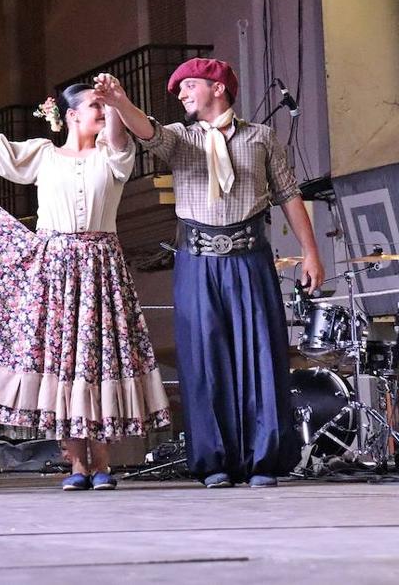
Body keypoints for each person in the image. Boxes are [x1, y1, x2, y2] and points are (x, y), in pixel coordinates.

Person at [0, 80, 170, 491]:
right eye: (93, 105)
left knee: (99, 358)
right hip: (55, 268)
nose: (101, 111)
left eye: (102, 106)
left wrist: (116, 100)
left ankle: (103, 462)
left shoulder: (113, 155)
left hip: (100, 267)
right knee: (63, 362)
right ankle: (76, 461)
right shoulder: (44, 154)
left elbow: (120, 130)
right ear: (71, 115)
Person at [95, 59, 324, 488]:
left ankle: (263, 458)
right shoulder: (182, 139)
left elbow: (290, 195)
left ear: (217, 87)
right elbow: (148, 132)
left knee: (259, 354)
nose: (180, 94)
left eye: (188, 86)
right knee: (203, 359)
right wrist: (119, 101)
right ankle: (214, 459)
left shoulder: (262, 137)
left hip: (249, 257)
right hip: (197, 261)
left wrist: (311, 253)